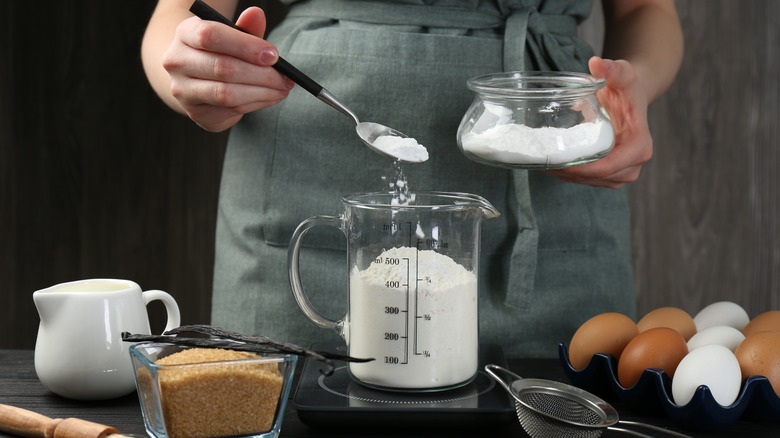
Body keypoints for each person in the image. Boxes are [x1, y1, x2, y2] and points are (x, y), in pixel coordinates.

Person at [141, 0, 683, 358]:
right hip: (312, 167)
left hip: (557, 164)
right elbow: (173, 24)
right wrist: (199, 76)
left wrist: (634, 88)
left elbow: (645, 9)